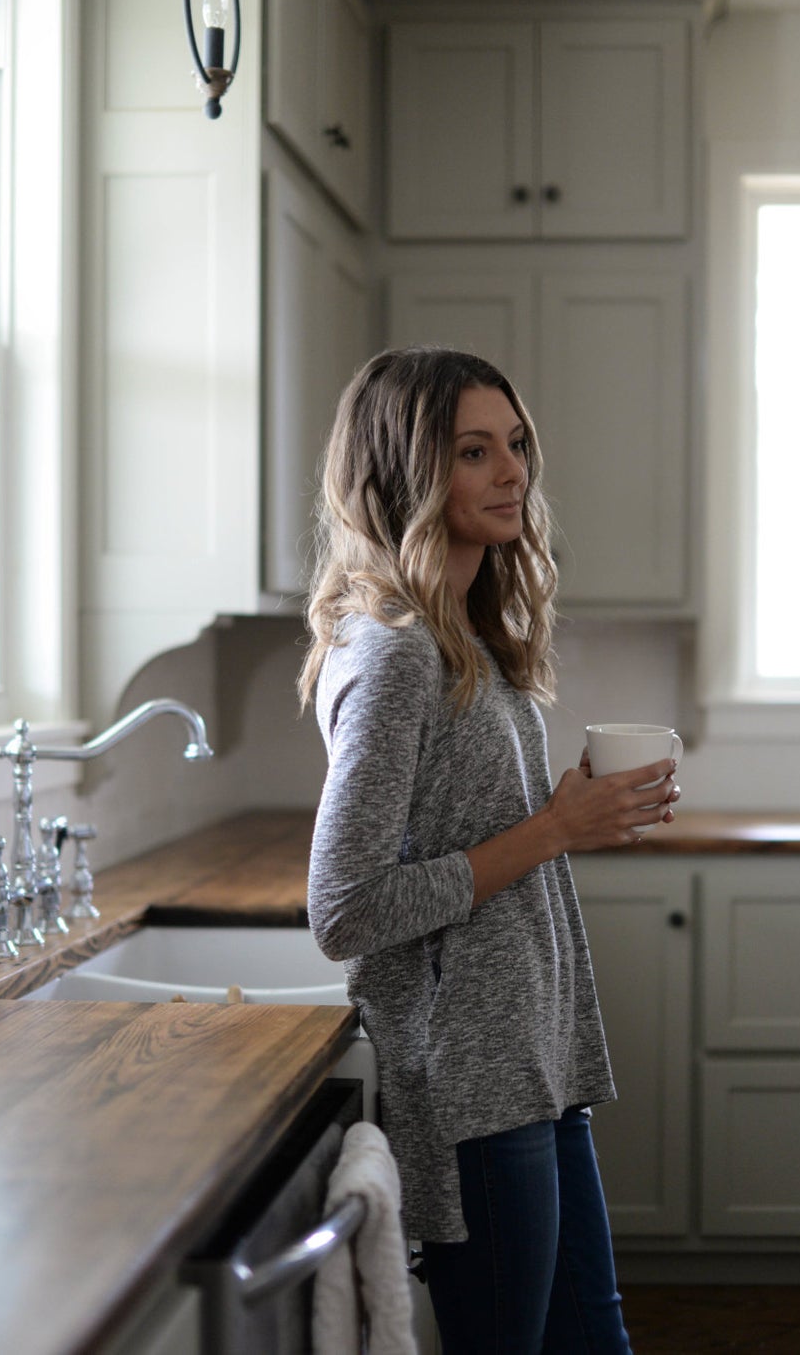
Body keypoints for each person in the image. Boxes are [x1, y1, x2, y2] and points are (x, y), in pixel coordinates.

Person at [299, 346, 681, 1353]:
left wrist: (572, 819)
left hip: (529, 1046)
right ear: (404, 474)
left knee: (589, 1338)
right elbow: (342, 908)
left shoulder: (463, 634)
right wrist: (551, 830)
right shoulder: (395, 654)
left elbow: (477, 842)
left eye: (514, 444)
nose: (512, 471)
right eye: (474, 451)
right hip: (469, 1073)